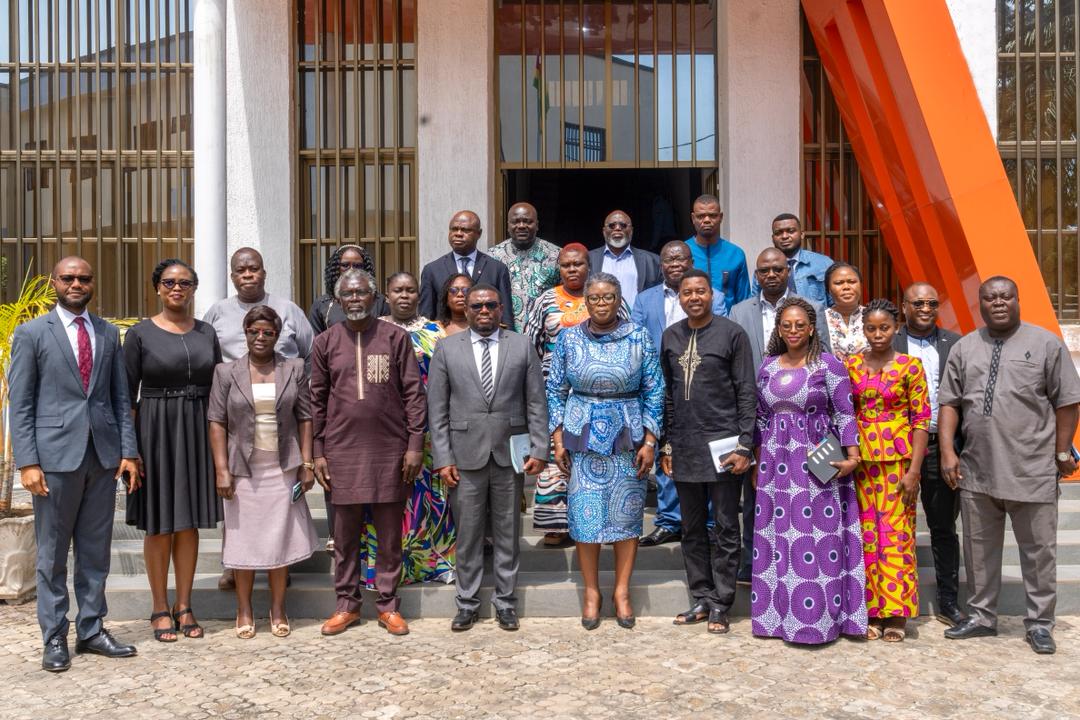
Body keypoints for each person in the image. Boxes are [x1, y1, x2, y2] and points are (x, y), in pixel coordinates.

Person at [10, 256, 140, 672]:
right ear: (55, 282)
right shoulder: (31, 333)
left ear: (92, 282)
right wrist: (27, 462)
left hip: (101, 458)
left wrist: (127, 451)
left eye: (84, 278)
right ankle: (53, 637)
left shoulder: (106, 332)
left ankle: (91, 628)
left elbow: (120, 398)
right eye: (69, 278)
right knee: (51, 555)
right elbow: (22, 403)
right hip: (53, 461)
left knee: (94, 550)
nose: (77, 283)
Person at [940, 276, 1080, 655]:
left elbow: (1067, 402)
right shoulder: (965, 347)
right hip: (977, 470)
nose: (998, 302)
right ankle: (982, 617)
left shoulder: (1045, 343)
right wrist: (948, 453)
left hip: (1031, 468)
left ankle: (1039, 623)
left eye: (1006, 296)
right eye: (990, 297)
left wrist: (1063, 453)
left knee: (1039, 551)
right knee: (978, 549)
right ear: (980, 303)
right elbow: (950, 403)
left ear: (1018, 300)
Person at [310, 269, 426, 637]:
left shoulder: (395, 337)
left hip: (390, 452)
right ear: (338, 300)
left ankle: (388, 605)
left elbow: (414, 394)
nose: (355, 299)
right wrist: (318, 451)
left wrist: (414, 446)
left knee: (390, 535)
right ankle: (346, 604)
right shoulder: (325, 342)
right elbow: (316, 400)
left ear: (375, 298)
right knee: (344, 537)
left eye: (362, 293)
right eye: (348, 294)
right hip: (341, 453)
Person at [427, 284, 549, 632]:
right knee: (467, 535)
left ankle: (506, 603)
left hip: (510, 455)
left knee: (508, 532)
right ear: (466, 310)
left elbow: (536, 403)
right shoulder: (447, 348)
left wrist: (540, 450)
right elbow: (437, 411)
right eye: (477, 305)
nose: (484, 311)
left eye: (490, 305)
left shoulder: (522, 345)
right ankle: (467, 603)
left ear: (500, 309)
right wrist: (442, 458)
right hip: (464, 457)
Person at [547, 273, 664, 630]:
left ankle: (622, 591)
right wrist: (556, 437)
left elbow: (655, 390)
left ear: (618, 300)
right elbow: (554, 389)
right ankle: (592, 592)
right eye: (594, 298)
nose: (601, 304)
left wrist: (649, 441)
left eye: (608, 297)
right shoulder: (568, 337)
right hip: (582, 432)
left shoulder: (638, 336)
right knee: (585, 516)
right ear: (586, 301)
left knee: (627, 516)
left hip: (627, 433)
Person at [751, 297, 867, 644]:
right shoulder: (768, 367)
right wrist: (756, 461)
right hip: (774, 463)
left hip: (817, 459)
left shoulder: (828, 365)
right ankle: (775, 619)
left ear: (812, 328)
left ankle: (819, 621)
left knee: (817, 538)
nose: (793, 330)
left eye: (800, 324)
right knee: (776, 540)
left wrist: (853, 457)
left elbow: (845, 413)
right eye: (786, 324)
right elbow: (759, 417)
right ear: (778, 328)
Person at [203, 247, 314, 591]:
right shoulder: (217, 313)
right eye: (241, 270)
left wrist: (292, 390)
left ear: (264, 272)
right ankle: (235, 565)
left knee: (280, 508)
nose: (248, 275)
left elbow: (309, 353)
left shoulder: (289, 310)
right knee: (240, 506)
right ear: (232, 275)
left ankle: (279, 560)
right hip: (237, 413)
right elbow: (211, 359)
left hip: (280, 410)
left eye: (254, 269)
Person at [123, 259, 222, 643]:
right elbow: (125, 396)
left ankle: (185, 604)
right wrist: (129, 449)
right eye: (169, 282)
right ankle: (159, 606)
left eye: (185, 282)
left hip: (197, 428)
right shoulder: (140, 334)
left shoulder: (206, 332)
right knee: (160, 522)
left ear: (194, 288)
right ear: (157, 288)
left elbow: (219, 387)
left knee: (188, 522)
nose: (177, 288)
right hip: (155, 430)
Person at [208, 306, 319, 639]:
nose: (260, 338)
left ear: (277, 335)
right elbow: (216, 422)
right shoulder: (226, 372)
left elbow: (305, 417)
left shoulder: (294, 368)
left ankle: (278, 607)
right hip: (243, 470)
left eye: (267, 332)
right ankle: (243, 609)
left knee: (278, 541)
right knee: (244, 542)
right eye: (254, 331)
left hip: (282, 468)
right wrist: (222, 470)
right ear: (245, 333)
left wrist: (307, 463)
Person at [660, 270, 756, 634]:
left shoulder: (732, 334)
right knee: (692, 527)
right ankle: (700, 596)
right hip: (685, 446)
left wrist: (746, 444)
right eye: (687, 292)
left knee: (728, 526)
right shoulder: (671, 336)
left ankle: (722, 601)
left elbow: (746, 391)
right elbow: (668, 395)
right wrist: (667, 444)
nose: (694, 297)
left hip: (725, 446)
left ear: (712, 295)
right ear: (680, 297)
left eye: (701, 291)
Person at [730, 248, 831, 582]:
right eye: (763, 270)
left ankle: (808, 568)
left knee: (811, 497)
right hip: (761, 415)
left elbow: (827, 363)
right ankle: (753, 562)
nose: (771, 275)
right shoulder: (739, 310)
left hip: (809, 423)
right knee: (756, 495)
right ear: (756, 275)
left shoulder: (812, 309)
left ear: (788, 270)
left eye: (777, 269)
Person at [523, 244, 629, 544]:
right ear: (559, 268)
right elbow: (531, 344)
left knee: (601, 451)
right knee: (558, 451)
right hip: (554, 388)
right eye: (566, 265)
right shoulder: (545, 300)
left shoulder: (607, 295)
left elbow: (627, 334)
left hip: (602, 391)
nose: (572, 269)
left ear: (589, 266)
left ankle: (606, 519)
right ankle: (556, 523)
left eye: (578, 264)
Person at [363, 271, 455, 586]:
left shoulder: (436, 332)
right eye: (398, 290)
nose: (404, 295)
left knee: (431, 496)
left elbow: (447, 382)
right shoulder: (373, 332)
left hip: (428, 430)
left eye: (410, 290)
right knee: (386, 498)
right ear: (386, 296)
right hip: (385, 430)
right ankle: (388, 567)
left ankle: (431, 564)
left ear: (419, 295)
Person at [633, 240, 726, 548]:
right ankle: (670, 520)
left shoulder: (718, 298)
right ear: (661, 265)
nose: (675, 265)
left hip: (705, 387)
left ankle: (709, 521)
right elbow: (638, 340)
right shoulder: (644, 300)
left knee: (707, 451)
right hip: (660, 384)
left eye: (681, 259)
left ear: (690, 261)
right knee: (665, 451)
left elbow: (720, 334)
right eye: (669, 260)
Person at [848, 299, 930, 642]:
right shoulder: (850, 365)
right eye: (871, 328)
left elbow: (922, 420)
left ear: (897, 328)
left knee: (895, 538)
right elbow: (842, 412)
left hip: (898, 464)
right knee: (866, 537)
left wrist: (914, 471)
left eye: (884, 327)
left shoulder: (911, 366)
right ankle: (868, 610)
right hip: (861, 463)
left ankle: (895, 614)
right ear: (862, 330)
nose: (878, 334)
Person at [893, 282, 964, 627]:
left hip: (941, 446)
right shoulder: (888, 342)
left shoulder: (955, 344)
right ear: (903, 306)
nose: (925, 308)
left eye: (932, 303)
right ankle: (895, 602)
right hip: (896, 450)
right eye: (918, 302)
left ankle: (949, 600)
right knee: (892, 527)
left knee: (943, 527)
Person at [418, 210, 514, 329]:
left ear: (479, 233)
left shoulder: (496, 269)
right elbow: (426, 317)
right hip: (446, 340)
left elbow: (506, 316)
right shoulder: (432, 270)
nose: (458, 234)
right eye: (454, 229)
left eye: (465, 230)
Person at [487, 202, 562, 332]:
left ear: (537, 225)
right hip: (504, 333)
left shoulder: (556, 255)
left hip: (545, 333)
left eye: (527, 221)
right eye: (515, 222)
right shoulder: (493, 256)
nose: (521, 226)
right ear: (508, 226)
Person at [685, 194, 750, 314]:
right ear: (693, 218)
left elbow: (744, 300)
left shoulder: (736, 254)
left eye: (712, 215)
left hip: (728, 325)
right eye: (701, 216)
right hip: (689, 324)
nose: (707, 220)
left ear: (721, 217)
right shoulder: (684, 252)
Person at [750, 213, 833, 305]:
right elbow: (755, 304)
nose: (785, 236)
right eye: (778, 233)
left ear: (802, 234)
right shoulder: (764, 268)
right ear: (773, 238)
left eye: (791, 231)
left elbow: (834, 304)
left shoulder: (823, 264)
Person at [308, 244, 390, 335]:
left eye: (357, 266)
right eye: (345, 265)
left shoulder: (380, 302)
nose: (351, 269)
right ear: (336, 269)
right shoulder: (321, 305)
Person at [587, 210, 662, 307]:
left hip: (638, 320)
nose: (617, 228)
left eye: (623, 225)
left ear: (631, 231)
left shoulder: (652, 260)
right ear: (604, 231)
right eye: (612, 226)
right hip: (599, 320)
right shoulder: (588, 259)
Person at [823, 261, 867, 363]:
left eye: (852, 282)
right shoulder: (820, 319)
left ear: (860, 285)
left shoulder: (873, 317)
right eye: (839, 283)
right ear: (829, 289)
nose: (846, 287)